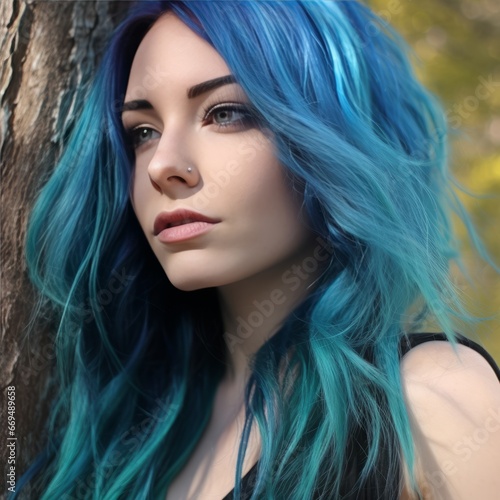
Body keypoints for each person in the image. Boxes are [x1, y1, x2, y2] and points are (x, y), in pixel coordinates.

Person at [14, 1, 500, 499]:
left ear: (327, 137)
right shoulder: (121, 432)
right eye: (143, 131)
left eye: (225, 113)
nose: (163, 164)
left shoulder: (428, 399)